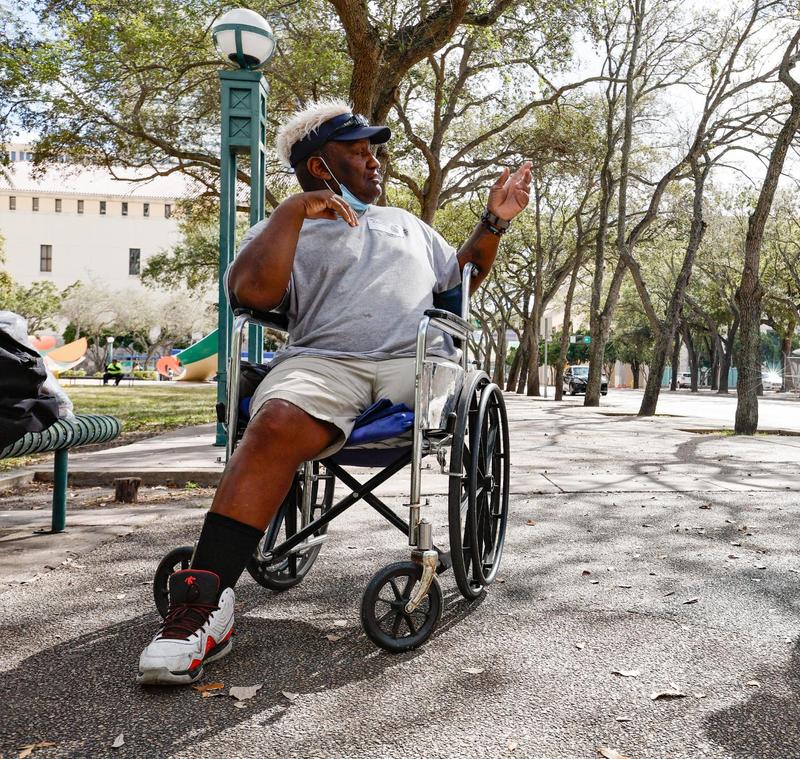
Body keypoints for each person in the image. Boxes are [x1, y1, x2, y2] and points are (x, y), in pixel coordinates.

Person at [137, 101, 532, 685]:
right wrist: (294, 212)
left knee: (444, 374)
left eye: (376, 151)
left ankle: (209, 585)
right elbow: (248, 292)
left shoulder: (405, 223)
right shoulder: (281, 228)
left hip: (414, 364)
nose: (377, 162)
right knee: (270, 423)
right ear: (320, 165)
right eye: (361, 152)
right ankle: (205, 605)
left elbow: (459, 287)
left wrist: (493, 223)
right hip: (324, 364)